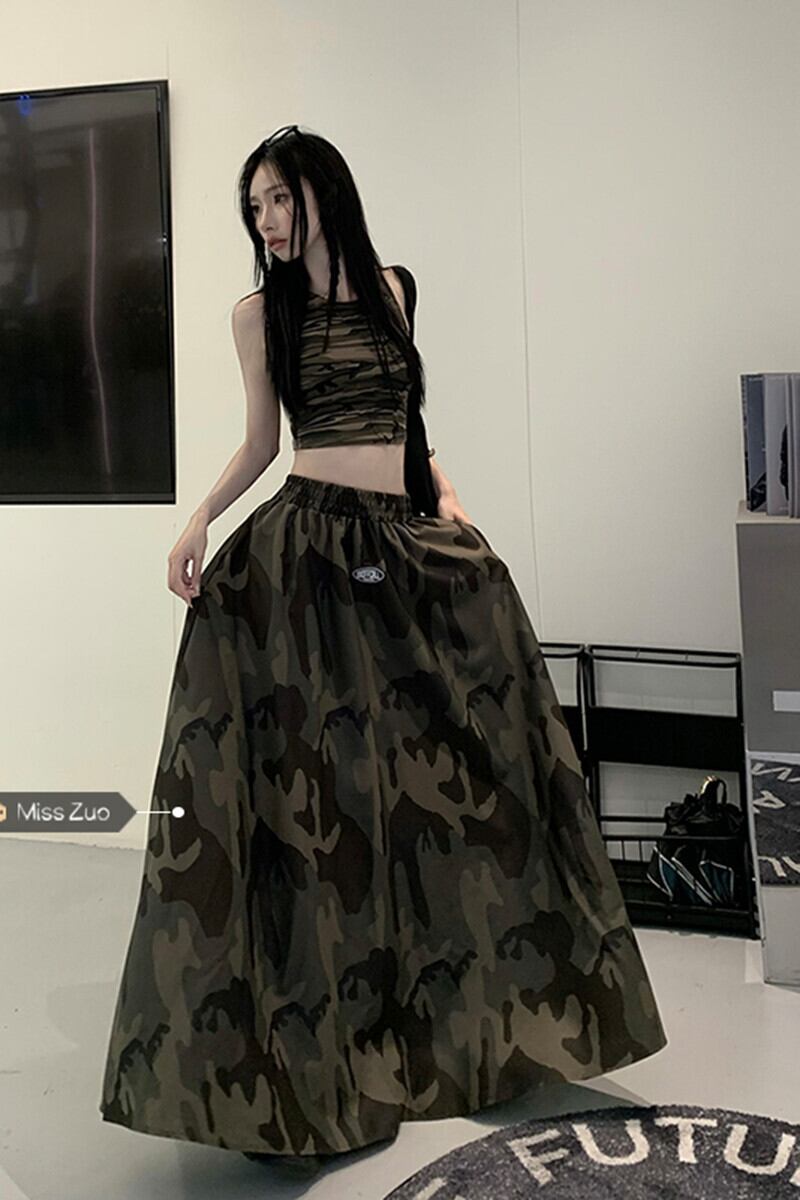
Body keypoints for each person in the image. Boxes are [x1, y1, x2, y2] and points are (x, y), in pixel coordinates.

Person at [98, 124, 667, 1170]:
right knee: (326, 799)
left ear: (324, 194)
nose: (267, 220)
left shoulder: (394, 289)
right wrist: (201, 517)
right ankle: (311, 1057)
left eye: (279, 198)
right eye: (254, 206)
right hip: (308, 553)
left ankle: (484, 1017)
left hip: (398, 545)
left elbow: (407, 420)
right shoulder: (258, 314)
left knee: (459, 772)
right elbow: (264, 441)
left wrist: (443, 493)